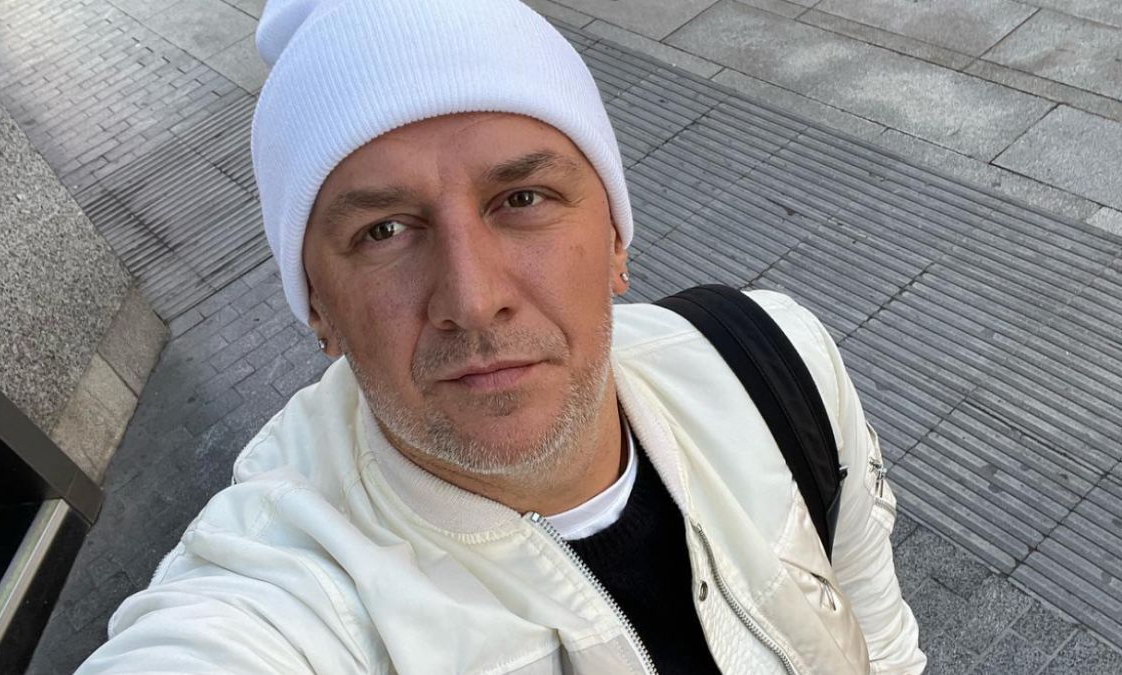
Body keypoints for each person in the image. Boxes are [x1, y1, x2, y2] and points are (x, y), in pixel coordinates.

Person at [78, 0, 925, 672]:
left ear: (616, 240)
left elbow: (882, 645)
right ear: (320, 311)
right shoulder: (284, 595)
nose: (474, 300)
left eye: (522, 200)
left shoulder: (775, 363)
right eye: (384, 231)